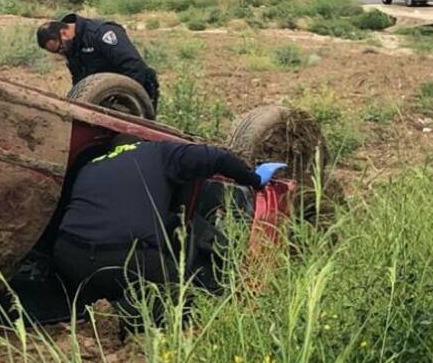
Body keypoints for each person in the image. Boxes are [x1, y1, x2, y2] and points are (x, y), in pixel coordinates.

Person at [52, 134, 283, 327]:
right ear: (141, 142)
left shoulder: (91, 165)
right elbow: (216, 157)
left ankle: (94, 309)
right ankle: (124, 317)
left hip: (69, 257)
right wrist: (254, 179)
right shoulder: (158, 152)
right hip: (126, 258)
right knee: (183, 301)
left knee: (101, 284)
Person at [37, 13, 160, 109]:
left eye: (60, 48)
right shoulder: (71, 46)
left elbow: (134, 67)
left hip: (134, 92)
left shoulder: (101, 33)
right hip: (104, 98)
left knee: (134, 138)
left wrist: (120, 100)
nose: (61, 52)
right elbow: (80, 80)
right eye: (56, 52)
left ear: (63, 33)